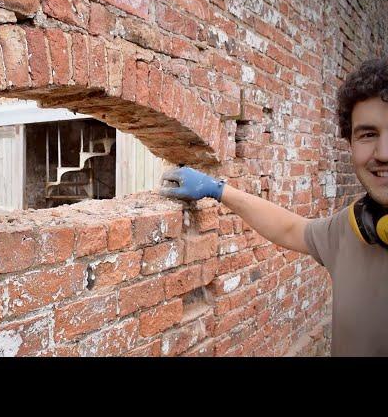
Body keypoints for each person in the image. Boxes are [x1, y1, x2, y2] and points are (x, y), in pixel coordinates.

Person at [160, 57, 388, 357]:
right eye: (368, 134)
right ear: (350, 143)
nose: (383, 153)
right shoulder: (353, 229)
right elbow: (291, 228)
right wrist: (217, 190)